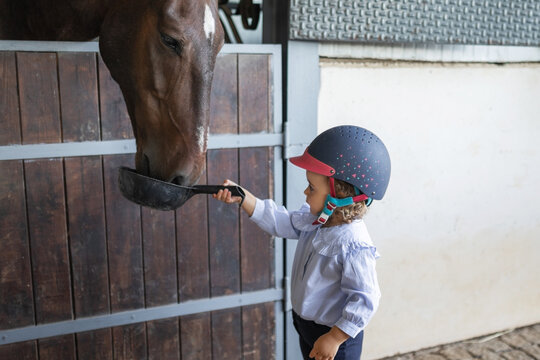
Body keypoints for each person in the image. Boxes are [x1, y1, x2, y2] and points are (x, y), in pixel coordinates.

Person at [213, 125, 391, 360]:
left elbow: (366, 298)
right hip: (306, 326)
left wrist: (336, 337)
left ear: (339, 196)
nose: (306, 192)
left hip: (335, 336)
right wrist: (245, 197)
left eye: (312, 187)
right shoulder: (317, 221)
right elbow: (280, 221)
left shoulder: (353, 244)